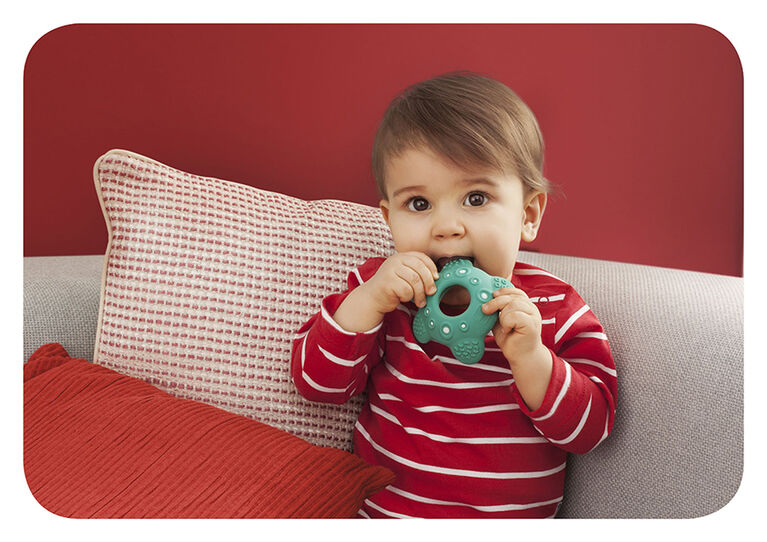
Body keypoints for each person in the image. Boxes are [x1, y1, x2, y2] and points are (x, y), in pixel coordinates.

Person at [290, 72, 617, 518]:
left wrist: (532, 360)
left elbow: (591, 431)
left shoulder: (552, 307)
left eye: (476, 198)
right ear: (389, 219)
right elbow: (316, 385)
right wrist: (368, 302)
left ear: (528, 214)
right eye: (419, 205)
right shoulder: (383, 292)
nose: (446, 226)